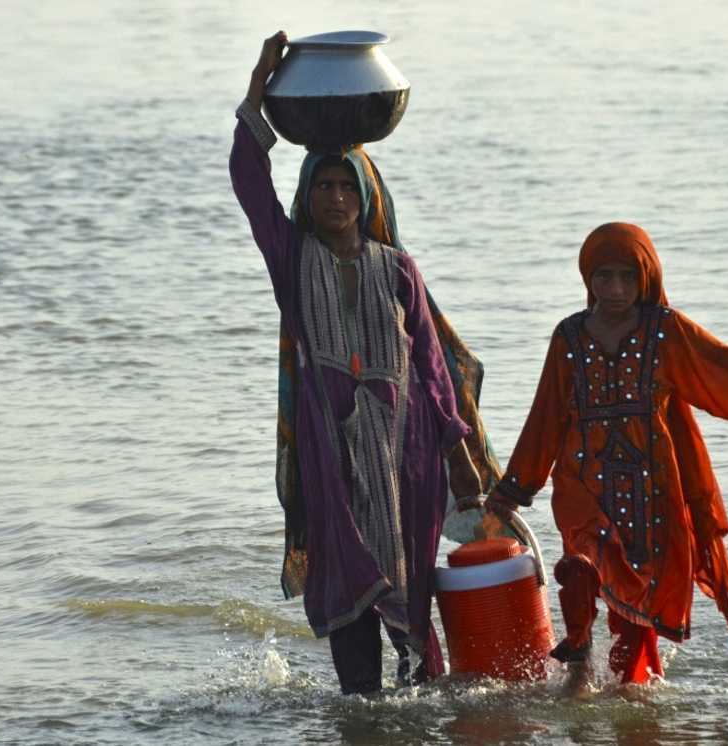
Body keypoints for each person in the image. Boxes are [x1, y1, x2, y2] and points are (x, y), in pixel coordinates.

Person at [230, 30, 500, 695]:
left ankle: (414, 714)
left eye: (345, 186)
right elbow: (245, 179)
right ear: (308, 196)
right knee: (349, 593)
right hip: (330, 455)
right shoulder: (291, 260)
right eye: (321, 186)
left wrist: (463, 465)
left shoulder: (397, 269)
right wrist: (258, 89)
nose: (334, 198)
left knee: (413, 605)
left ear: (365, 196)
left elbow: (434, 375)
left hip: (404, 454)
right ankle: (361, 713)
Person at [484, 222, 728, 696]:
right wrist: (515, 488)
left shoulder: (666, 331)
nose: (615, 289)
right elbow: (546, 416)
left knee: (636, 604)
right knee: (580, 566)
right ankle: (579, 659)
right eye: (604, 277)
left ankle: (633, 696)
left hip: (650, 491)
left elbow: (727, 369)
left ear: (646, 278)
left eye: (627, 278)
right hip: (582, 484)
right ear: (587, 279)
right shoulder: (568, 337)